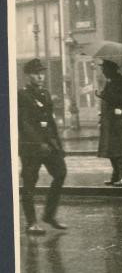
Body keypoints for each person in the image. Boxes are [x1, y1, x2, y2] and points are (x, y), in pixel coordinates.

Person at [18, 58, 68, 234]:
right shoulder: (22, 95)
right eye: (35, 74)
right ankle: (31, 222)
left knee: (60, 173)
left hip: (49, 145)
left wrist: (59, 146)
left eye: (41, 73)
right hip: (31, 146)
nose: (40, 77)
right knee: (29, 182)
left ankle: (49, 215)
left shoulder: (45, 94)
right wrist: (38, 143)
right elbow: (23, 123)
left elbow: (51, 122)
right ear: (27, 76)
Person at [97, 60, 122, 186]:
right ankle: (116, 175)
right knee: (111, 149)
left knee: (121, 148)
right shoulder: (110, 81)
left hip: (119, 120)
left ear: (111, 69)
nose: (103, 71)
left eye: (104, 68)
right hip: (110, 119)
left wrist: (104, 96)